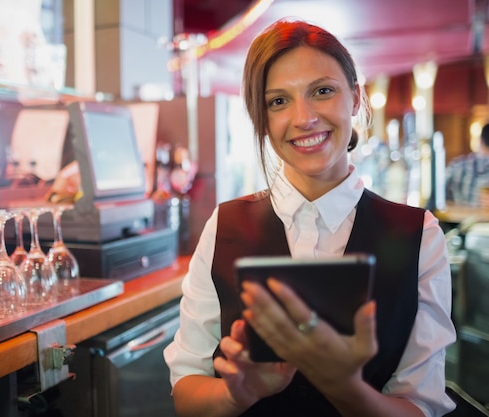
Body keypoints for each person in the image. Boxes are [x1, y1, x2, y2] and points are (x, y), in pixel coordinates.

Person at [163, 19, 456, 417]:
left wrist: (346, 389)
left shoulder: (418, 235)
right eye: (278, 101)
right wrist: (237, 395)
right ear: (262, 118)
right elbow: (186, 393)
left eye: (322, 91)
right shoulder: (224, 226)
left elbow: (421, 406)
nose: (303, 118)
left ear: (354, 98)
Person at [445, 121, 489, 207]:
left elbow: (439, 195)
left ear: (481, 140)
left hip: (455, 218)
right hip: (488, 220)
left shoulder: (457, 166)